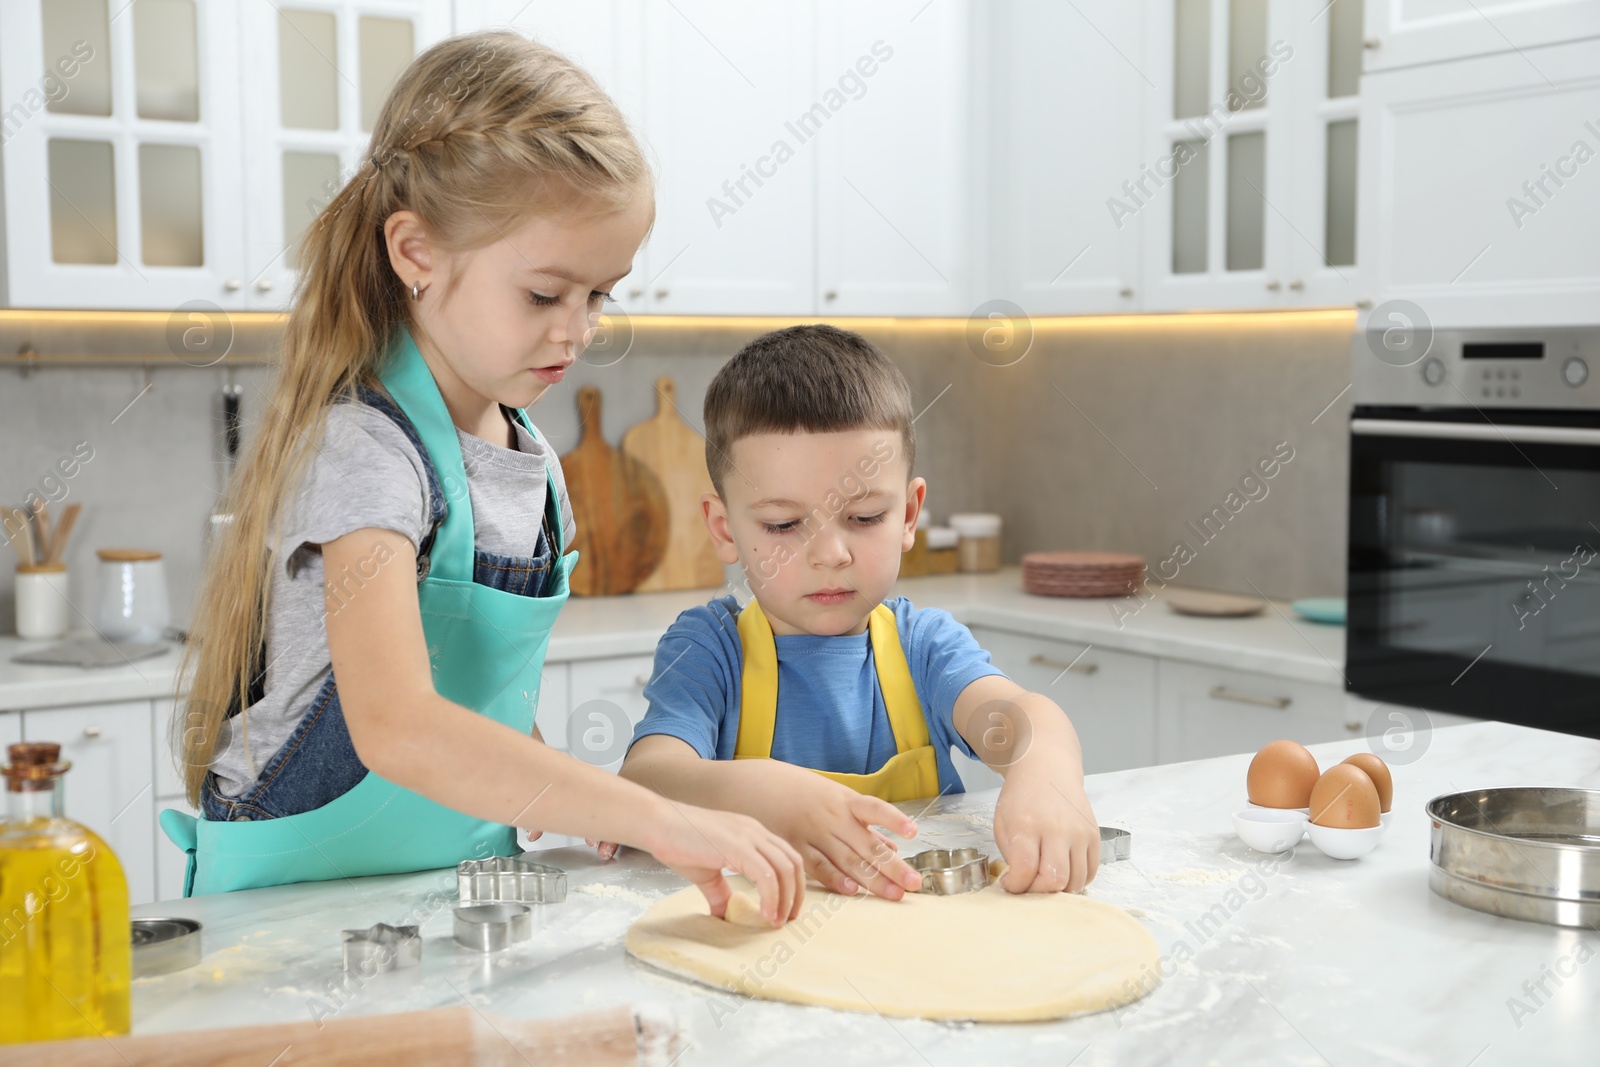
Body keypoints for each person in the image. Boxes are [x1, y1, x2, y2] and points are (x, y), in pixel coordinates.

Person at [160, 33, 804, 926]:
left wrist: (563, 795)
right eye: (545, 295)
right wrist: (652, 812)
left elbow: (475, 698)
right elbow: (396, 723)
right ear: (416, 253)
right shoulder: (365, 451)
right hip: (294, 908)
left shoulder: (531, 462)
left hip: (449, 889)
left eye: (601, 295)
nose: (577, 332)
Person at [621, 325, 1102, 900]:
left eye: (866, 516)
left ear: (908, 514)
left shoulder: (922, 646)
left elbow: (1025, 717)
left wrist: (1045, 770)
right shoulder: (711, 649)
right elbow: (647, 778)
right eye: (782, 525)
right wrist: (762, 791)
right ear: (725, 530)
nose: (831, 554)